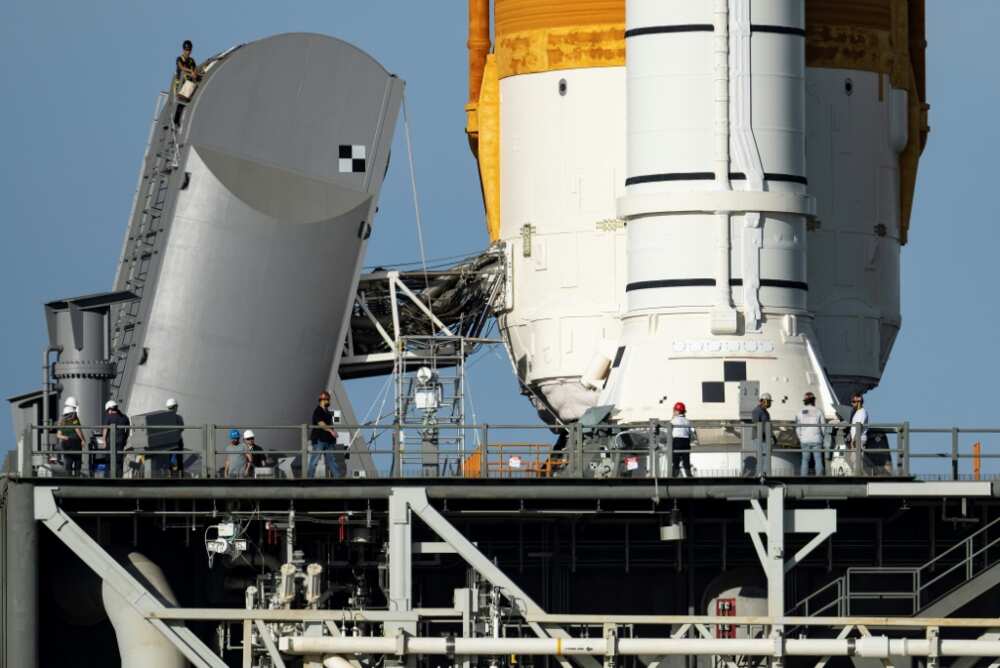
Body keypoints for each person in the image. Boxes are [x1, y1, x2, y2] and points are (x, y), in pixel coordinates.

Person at [307, 391, 344, 478]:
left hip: (328, 440)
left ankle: (337, 477)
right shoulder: (318, 411)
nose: (329, 402)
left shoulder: (327, 412)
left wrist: (333, 436)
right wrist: (331, 431)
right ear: (324, 400)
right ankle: (309, 479)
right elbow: (321, 424)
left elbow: (329, 425)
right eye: (328, 400)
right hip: (319, 440)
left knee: (331, 460)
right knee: (314, 461)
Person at [795, 392, 826, 476]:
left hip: (804, 440)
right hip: (817, 439)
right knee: (818, 459)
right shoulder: (819, 411)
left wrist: (801, 438)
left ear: (804, 401)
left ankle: (803, 478)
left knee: (805, 460)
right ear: (813, 400)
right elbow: (823, 427)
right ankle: (819, 477)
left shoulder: (800, 412)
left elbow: (797, 428)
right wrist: (823, 437)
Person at [173, 40, 199, 127]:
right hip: (180, 85)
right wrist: (190, 71)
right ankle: (176, 120)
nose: (187, 52)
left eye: (189, 50)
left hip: (188, 84)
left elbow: (195, 69)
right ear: (183, 50)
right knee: (181, 101)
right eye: (186, 50)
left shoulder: (191, 61)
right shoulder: (179, 59)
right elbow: (181, 67)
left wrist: (194, 73)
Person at [101, 400, 131, 477]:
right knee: (119, 462)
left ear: (110, 409)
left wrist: (103, 441)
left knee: (108, 462)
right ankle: (118, 479)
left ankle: (107, 478)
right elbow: (127, 430)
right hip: (120, 442)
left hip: (110, 443)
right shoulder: (125, 417)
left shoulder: (109, 417)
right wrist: (125, 439)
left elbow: (105, 429)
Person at [746, 392, 773, 475]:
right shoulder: (757, 411)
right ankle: (760, 474)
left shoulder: (766, 412)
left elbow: (767, 425)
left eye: (769, 402)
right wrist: (765, 434)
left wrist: (772, 436)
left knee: (765, 456)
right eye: (767, 401)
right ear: (762, 401)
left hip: (765, 438)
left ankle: (764, 473)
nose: (769, 403)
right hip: (759, 437)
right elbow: (756, 424)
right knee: (761, 456)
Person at [56, 405, 85, 477]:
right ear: (72, 413)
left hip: (66, 443)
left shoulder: (62, 421)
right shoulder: (74, 419)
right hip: (75, 442)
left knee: (68, 462)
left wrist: (66, 437)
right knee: (77, 461)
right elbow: (77, 430)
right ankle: (77, 478)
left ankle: (69, 479)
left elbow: (58, 435)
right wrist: (83, 440)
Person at [670, 402, 694, 477]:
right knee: (686, 460)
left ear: (677, 411)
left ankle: (674, 476)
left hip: (677, 441)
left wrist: (673, 417)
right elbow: (690, 433)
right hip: (686, 441)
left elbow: (669, 429)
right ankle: (689, 476)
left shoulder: (674, 420)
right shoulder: (687, 421)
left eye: (674, 410)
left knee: (675, 460)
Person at [849, 393, 869, 474]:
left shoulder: (862, 412)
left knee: (857, 460)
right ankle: (857, 474)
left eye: (854, 401)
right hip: (856, 439)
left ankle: (858, 475)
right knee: (854, 459)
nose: (852, 403)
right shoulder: (857, 412)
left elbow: (859, 426)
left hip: (859, 439)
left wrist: (854, 439)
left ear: (859, 402)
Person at [166, 398, 185, 476]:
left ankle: (174, 475)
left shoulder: (165, 418)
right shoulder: (178, 417)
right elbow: (181, 428)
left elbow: (181, 428)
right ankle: (177, 475)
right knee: (175, 458)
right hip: (174, 440)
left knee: (173, 458)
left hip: (173, 441)